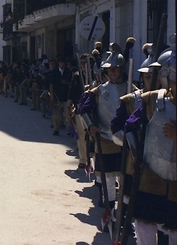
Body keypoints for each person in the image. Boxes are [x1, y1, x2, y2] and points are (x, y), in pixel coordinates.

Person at [123, 41, 177, 244]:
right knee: (145, 225)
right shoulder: (153, 100)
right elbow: (129, 126)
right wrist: (136, 156)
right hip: (152, 174)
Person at [78, 43, 128, 226]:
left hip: (127, 141)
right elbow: (82, 109)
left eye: (116, 69)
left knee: (125, 178)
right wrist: (91, 126)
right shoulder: (99, 90)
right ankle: (110, 211)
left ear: (122, 69)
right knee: (107, 178)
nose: (113, 72)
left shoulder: (132, 89)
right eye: (110, 70)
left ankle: (122, 214)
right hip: (105, 138)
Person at [49, 57, 71, 135]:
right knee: (56, 114)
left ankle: (69, 129)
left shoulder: (68, 71)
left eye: (63, 63)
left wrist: (66, 83)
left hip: (66, 96)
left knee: (68, 113)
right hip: (57, 95)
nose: (62, 64)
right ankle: (56, 129)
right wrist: (52, 95)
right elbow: (51, 84)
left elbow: (71, 83)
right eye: (60, 62)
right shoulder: (54, 72)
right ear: (58, 63)